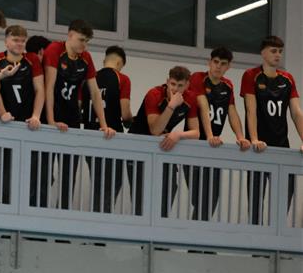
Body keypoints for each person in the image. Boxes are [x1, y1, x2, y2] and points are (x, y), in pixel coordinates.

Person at [42, 20, 114, 209]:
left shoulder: (86, 58)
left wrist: (104, 124)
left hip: (72, 117)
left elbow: (95, 92)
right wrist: (51, 121)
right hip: (52, 114)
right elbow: (48, 87)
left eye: (87, 41)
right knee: (44, 171)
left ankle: (63, 213)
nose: (84, 45)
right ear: (70, 35)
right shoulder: (54, 50)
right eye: (81, 40)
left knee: (69, 173)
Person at [241, 35, 303, 224]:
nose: (278, 55)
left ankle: (277, 234)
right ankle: (256, 238)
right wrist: (254, 139)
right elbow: (251, 110)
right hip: (259, 148)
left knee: (284, 195)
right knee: (256, 200)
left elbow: (296, 113)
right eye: (273, 51)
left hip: (281, 145)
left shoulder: (287, 79)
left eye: (280, 52)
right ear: (263, 53)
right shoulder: (251, 75)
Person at [187, 47, 250, 220]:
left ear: (228, 66)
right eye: (215, 62)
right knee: (199, 198)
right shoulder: (198, 78)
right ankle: (195, 233)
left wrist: (240, 137)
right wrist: (209, 136)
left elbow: (232, 112)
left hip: (213, 149)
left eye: (223, 64)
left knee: (211, 198)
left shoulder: (228, 85)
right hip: (194, 145)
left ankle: (199, 235)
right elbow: (203, 106)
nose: (218, 66)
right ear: (209, 62)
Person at [129, 66, 199, 216]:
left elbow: (196, 133)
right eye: (172, 84)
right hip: (138, 148)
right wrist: (171, 105)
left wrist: (178, 134)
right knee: (141, 194)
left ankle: (160, 224)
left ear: (187, 85)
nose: (175, 89)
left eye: (180, 85)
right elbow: (155, 130)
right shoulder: (154, 94)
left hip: (161, 148)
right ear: (167, 82)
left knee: (170, 188)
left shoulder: (191, 98)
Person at [0, 25, 44, 204]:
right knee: (4, 178)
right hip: (4, 126)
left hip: (27, 125)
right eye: (15, 40)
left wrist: (36, 115)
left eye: (23, 41)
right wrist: (2, 113)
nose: (20, 44)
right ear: (6, 41)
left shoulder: (32, 59)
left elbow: (40, 89)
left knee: (29, 179)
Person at [81, 45, 133, 213]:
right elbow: (125, 113)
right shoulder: (122, 79)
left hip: (90, 138)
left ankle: (97, 217)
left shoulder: (89, 79)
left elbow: (79, 107)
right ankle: (103, 218)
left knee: (97, 182)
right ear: (120, 63)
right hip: (112, 138)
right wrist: (131, 121)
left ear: (104, 61)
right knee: (112, 183)